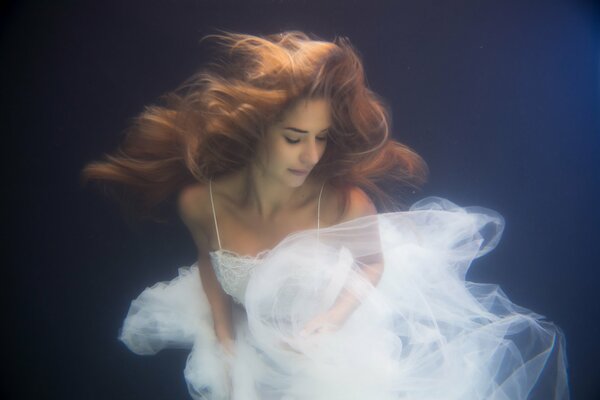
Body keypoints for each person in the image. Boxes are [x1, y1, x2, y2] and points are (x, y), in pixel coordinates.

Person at [81, 31, 569, 400]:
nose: (310, 155)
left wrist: (332, 320)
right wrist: (225, 342)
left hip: (329, 349)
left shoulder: (342, 203)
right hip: (255, 345)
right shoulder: (199, 203)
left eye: (320, 138)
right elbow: (211, 264)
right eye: (294, 137)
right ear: (257, 131)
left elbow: (372, 265)